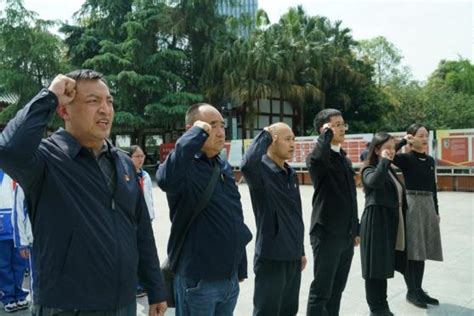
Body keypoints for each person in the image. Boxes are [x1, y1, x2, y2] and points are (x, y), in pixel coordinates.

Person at [0, 70, 167, 316]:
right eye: (93, 101)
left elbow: (141, 230)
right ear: (64, 111)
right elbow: (8, 150)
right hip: (68, 306)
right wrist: (50, 96)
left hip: (123, 304)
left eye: (109, 101)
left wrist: (156, 288)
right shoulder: (45, 159)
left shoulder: (123, 163)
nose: (105, 109)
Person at [156, 103, 253, 316]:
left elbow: (235, 216)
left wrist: (240, 264)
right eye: (211, 126)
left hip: (228, 279)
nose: (220, 132)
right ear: (192, 131)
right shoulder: (183, 167)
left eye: (222, 126)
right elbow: (164, 180)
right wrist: (197, 133)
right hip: (198, 281)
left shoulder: (223, 166)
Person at [241, 123, 306, 316]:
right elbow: (246, 164)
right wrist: (265, 134)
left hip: (293, 256)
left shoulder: (290, 173)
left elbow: (296, 214)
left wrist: (300, 249)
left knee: (288, 310)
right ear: (273, 141)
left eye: (293, 138)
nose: (292, 144)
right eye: (287, 139)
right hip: (271, 256)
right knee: (267, 311)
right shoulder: (260, 172)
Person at [306, 108, 360, 316]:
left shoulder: (344, 159)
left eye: (342, 124)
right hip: (326, 234)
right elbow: (319, 160)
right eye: (336, 125)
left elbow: (351, 197)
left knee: (337, 289)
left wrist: (355, 228)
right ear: (324, 129)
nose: (342, 129)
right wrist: (325, 136)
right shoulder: (317, 158)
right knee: (321, 291)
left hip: (346, 236)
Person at [393, 124, 443, 308]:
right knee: (413, 251)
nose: (424, 138)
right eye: (420, 135)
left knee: (422, 251)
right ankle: (411, 292)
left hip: (428, 205)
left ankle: (419, 289)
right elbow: (389, 155)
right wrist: (403, 141)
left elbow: (433, 186)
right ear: (412, 138)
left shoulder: (430, 160)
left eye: (426, 135)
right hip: (412, 205)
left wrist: (436, 210)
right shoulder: (406, 158)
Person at [360, 133, 408, 316]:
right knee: (374, 266)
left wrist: (403, 141)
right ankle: (376, 307)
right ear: (377, 150)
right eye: (386, 148)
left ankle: (383, 304)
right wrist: (385, 161)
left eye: (393, 147)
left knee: (383, 264)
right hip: (375, 223)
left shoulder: (389, 169)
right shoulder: (369, 168)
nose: (391, 151)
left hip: (389, 222)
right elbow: (374, 182)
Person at [0, 170, 31, 313]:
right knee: (3, 265)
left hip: (19, 228)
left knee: (20, 264)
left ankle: (19, 293)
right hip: (2, 228)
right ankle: (7, 296)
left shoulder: (18, 170)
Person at [129, 145, 156, 298]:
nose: (141, 159)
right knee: (134, 253)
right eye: (137, 156)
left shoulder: (145, 175)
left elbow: (149, 198)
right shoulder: (126, 175)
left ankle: (144, 282)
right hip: (132, 220)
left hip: (146, 219)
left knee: (145, 252)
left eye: (142, 156)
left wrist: (151, 214)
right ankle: (136, 284)